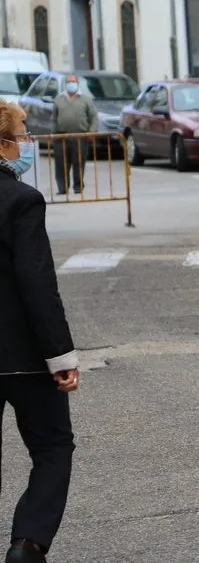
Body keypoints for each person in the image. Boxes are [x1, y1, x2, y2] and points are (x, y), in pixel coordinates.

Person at [0, 102, 79, 563]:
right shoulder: (21, 200)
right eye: (22, 134)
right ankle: (27, 544)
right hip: (23, 354)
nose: (27, 143)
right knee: (52, 446)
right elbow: (36, 282)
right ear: (4, 145)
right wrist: (61, 357)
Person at [51, 75, 97, 196]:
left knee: (79, 162)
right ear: (65, 84)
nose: (71, 84)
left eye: (74, 82)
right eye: (69, 82)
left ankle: (78, 187)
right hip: (61, 137)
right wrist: (53, 133)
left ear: (77, 83)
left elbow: (93, 117)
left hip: (80, 137)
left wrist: (91, 132)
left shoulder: (86, 99)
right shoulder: (59, 99)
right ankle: (62, 188)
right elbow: (54, 118)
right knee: (61, 164)